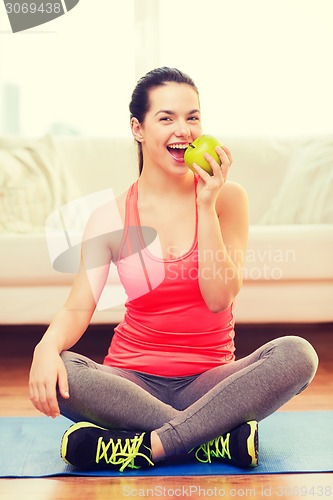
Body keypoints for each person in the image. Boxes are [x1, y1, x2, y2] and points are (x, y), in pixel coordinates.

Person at [29, 67, 318, 472]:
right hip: (132, 381)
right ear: (138, 128)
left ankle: (143, 443)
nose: (183, 130)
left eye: (192, 117)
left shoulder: (228, 200)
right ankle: (213, 440)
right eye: (166, 118)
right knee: (66, 373)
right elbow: (78, 308)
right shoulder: (109, 217)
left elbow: (219, 299)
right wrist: (45, 349)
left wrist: (205, 204)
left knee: (297, 355)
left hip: (213, 384)